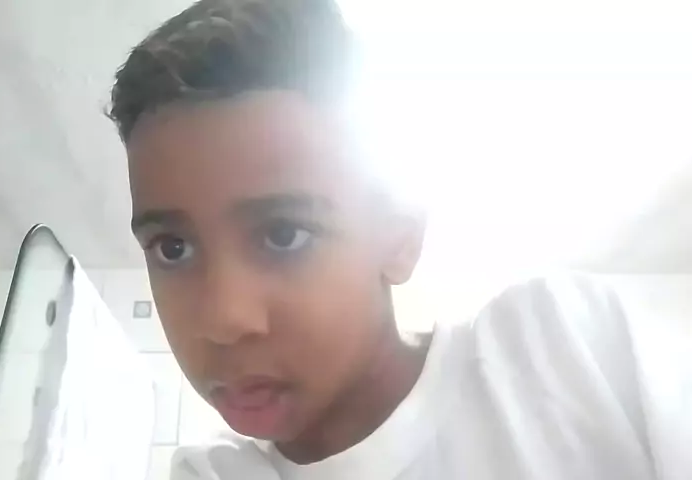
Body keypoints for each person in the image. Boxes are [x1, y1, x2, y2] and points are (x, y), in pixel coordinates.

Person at [108, 0, 690, 478]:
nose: (223, 319)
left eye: (283, 235)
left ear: (399, 234)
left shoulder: (560, 348)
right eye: (172, 248)